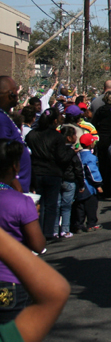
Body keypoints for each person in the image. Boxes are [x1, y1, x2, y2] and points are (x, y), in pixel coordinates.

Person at [0, 139, 47, 324]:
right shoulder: (22, 203)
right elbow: (38, 245)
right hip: (11, 281)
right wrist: (33, 217)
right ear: (15, 167)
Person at [25, 109, 74, 242]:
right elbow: (61, 157)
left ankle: (39, 231)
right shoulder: (56, 137)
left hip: (36, 172)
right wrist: (71, 151)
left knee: (39, 204)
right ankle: (48, 232)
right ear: (54, 121)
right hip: (53, 172)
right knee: (51, 204)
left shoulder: (32, 135)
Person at [0, 77, 30, 192]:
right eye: (16, 93)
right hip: (11, 191)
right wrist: (18, 190)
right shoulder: (1, 120)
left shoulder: (4, 116)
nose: (17, 96)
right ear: (10, 95)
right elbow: (4, 157)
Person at [56, 127, 83, 239]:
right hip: (70, 180)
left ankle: (54, 230)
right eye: (74, 135)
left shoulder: (56, 150)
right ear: (69, 137)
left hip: (58, 179)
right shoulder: (72, 152)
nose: (76, 137)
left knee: (57, 205)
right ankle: (65, 230)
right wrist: (81, 183)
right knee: (66, 207)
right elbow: (78, 169)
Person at [73, 133, 103, 233]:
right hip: (89, 185)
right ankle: (91, 224)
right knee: (91, 206)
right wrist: (98, 184)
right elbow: (92, 171)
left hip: (79, 183)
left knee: (80, 206)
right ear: (91, 144)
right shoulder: (90, 157)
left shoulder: (78, 154)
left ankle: (78, 225)